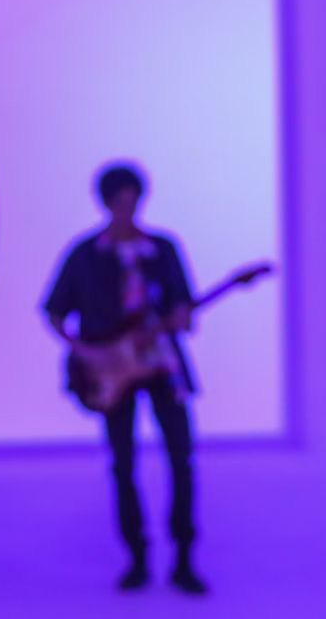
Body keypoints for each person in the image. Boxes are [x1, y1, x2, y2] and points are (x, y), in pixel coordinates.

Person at [43, 162, 208, 595]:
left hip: (162, 365)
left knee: (181, 457)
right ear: (106, 203)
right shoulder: (85, 255)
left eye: (132, 201)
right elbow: (54, 310)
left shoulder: (162, 250)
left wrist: (181, 316)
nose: (126, 209)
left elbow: (183, 306)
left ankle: (183, 556)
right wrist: (84, 350)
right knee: (122, 462)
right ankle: (136, 556)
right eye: (119, 201)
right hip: (111, 371)